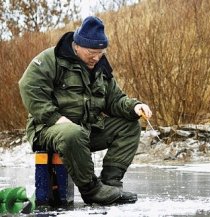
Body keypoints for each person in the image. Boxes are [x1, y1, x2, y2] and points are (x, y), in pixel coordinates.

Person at [19, 16, 152, 205]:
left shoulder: (100, 67)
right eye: (92, 52)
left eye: (101, 52)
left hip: (85, 131)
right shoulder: (52, 58)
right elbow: (28, 87)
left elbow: (115, 100)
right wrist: (55, 118)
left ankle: (111, 184)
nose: (96, 57)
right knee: (72, 132)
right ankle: (91, 190)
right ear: (77, 45)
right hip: (47, 130)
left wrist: (135, 106)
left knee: (129, 125)